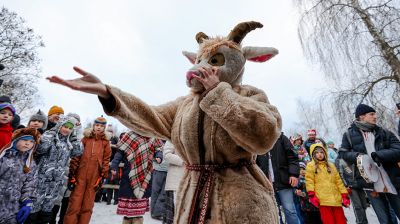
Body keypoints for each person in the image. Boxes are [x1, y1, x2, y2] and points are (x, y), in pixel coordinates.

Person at [47, 21, 283, 223]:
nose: (201, 67)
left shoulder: (250, 95)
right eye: (200, 59)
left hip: (242, 204)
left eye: (214, 60)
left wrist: (219, 94)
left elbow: (264, 136)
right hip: (190, 199)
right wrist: (109, 94)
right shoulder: (185, 105)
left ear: (236, 63)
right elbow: (149, 115)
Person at [339, 104, 400, 224]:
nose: (375, 117)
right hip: (370, 183)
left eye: (375, 114)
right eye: (371, 114)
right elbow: (343, 153)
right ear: (361, 116)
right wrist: (358, 156)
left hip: (391, 179)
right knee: (384, 220)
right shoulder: (348, 135)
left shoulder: (384, 132)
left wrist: (379, 155)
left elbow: (398, 149)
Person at [28, 116, 82, 223]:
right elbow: (40, 149)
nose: (66, 129)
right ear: (59, 126)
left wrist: (74, 138)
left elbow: (77, 152)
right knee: (35, 205)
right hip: (41, 179)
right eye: (64, 126)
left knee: (47, 208)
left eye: (70, 128)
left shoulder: (68, 143)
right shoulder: (49, 136)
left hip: (56, 182)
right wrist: (50, 135)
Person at [63, 116, 112, 224]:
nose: (99, 128)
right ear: (93, 126)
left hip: (94, 178)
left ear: (104, 128)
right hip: (80, 176)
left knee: (87, 206)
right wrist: (72, 174)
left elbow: (106, 159)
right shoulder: (85, 139)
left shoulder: (105, 143)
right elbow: (77, 156)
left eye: (101, 126)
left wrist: (102, 176)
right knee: (75, 204)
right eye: (97, 125)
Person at [110, 131, 164, 224]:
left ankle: (138, 221)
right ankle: (127, 221)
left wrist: (159, 156)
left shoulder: (152, 136)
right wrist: (114, 165)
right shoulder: (129, 136)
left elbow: (158, 149)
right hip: (129, 174)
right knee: (128, 208)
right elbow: (120, 153)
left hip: (145, 174)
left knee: (139, 210)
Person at [256, 132, 300, 224]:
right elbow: (254, 163)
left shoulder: (281, 138)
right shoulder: (257, 142)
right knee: (273, 212)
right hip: (266, 185)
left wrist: (294, 174)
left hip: (284, 182)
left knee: (290, 210)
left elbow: (292, 157)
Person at [0, 128, 41, 224]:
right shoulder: (3, 158)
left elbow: (30, 184)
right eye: (25, 140)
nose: (28, 144)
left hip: (13, 208)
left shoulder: (30, 164)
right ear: (16, 140)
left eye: (31, 142)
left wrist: (27, 202)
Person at [305, 143, 350, 224]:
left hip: (336, 199)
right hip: (323, 200)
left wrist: (344, 195)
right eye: (317, 153)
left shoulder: (331, 165)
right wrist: (311, 194)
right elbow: (309, 181)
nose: (320, 154)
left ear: (325, 153)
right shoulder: (310, 166)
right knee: (329, 221)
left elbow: (338, 181)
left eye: (321, 152)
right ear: (313, 154)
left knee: (341, 221)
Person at [336, 157, 368, 224]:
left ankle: (364, 221)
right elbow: (340, 174)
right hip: (351, 186)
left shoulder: (355, 157)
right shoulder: (341, 161)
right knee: (358, 206)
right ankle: (360, 222)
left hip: (360, 184)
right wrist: (346, 185)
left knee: (364, 205)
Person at [163, 141, 185, 224]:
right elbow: (166, 155)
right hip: (175, 182)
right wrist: (184, 160)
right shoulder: (172, 137)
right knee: (173, 215)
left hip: (189, 181)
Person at [151, 145, 169, 221]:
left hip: (168, 170)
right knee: (156, 191)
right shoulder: (158, 141)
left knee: (163, 192)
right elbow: (157, 151)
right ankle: (154, 212)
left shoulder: (171, 141)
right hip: (158, 169)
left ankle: (158, 212)